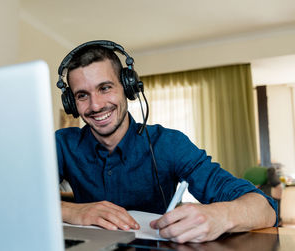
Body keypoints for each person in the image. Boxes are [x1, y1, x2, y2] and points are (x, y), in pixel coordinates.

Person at [55, 40, 277, 243]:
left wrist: (220, 215)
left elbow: (265, 208)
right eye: (82, 95)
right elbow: (20, 198)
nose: (95, 106)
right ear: (72, 104)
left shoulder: (169, 144)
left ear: (128, 88)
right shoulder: (62, 144)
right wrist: (72, 211)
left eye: (105, 88)